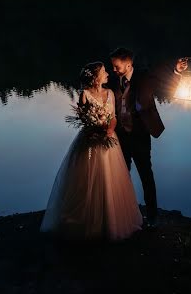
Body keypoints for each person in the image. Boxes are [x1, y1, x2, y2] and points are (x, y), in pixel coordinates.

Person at [40, 62, 143, 241]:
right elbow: (83, 119)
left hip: (109, 140)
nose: (108, 74)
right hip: (90, 140)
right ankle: (87, 221)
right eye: (104, 72)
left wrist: (110, 130)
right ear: (96, 77)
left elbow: (114, 118)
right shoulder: (84, 95)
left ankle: (111, 219)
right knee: (88, 180)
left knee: (110, 178)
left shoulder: (110, 93)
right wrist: (95, 130)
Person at [109, 47, 187, 227]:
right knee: (122, 175)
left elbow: (166, 90)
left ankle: (152, 217)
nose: (114, 69)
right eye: (112, 66)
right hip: (119, 136)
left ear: (128, 64)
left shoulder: (144, 77)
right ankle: (123, 212)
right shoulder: (113, 80)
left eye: (117, 66)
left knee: (146, 175)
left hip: (141, 135)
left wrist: (176, 72)